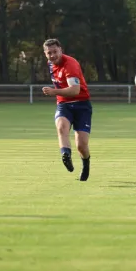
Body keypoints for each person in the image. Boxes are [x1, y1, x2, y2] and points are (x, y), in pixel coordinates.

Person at [42, 38, 92, 181]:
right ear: (45, 54)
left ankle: (86, 164)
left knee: (81, 145)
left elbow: (75, 90)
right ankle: (65, 154)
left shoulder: (70, 64)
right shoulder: (50, 64)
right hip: (64, 105)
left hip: (82, 105)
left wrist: (54, 92)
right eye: (49, 53)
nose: (52, 56)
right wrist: (57, 94)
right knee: (61, 127)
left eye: (55, 52)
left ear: (61, 50)